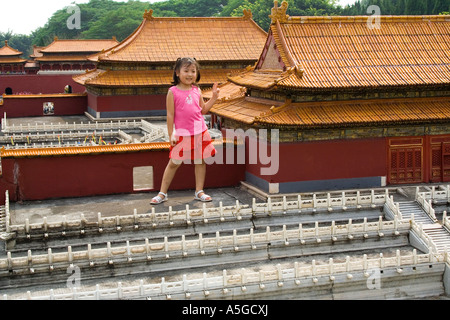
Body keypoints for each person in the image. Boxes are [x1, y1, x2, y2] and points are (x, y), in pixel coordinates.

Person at [151, 57, 220, 205]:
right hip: (182, 134)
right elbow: (170, 115)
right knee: (174, 162)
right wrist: (171, 135)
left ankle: (199, 191)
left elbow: (203, 110)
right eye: (186, 70)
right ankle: (162, 193)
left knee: (200, 162)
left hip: (200, 132)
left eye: (193, 71)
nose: (190, 74)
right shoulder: (172, 92)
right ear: (177, 73)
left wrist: (214, 98)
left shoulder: (197, 90)